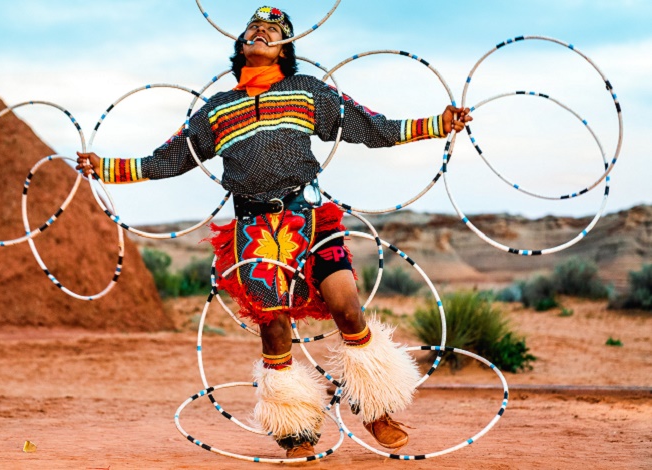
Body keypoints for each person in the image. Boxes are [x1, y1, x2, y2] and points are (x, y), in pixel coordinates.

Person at [78, 6, 471, 459]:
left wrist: (438, 124)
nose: (261, 31)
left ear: (286, 46)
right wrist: (103, 167)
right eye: (254, 28)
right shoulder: (217, 110)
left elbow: (372, 128)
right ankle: (296, 431)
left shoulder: (307, 93)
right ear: (240, 42)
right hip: (254, 228)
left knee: (346, 308)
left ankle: (377, 407)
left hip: (311, 217)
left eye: (274, 30)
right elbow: (168, 159)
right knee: (275, 327)